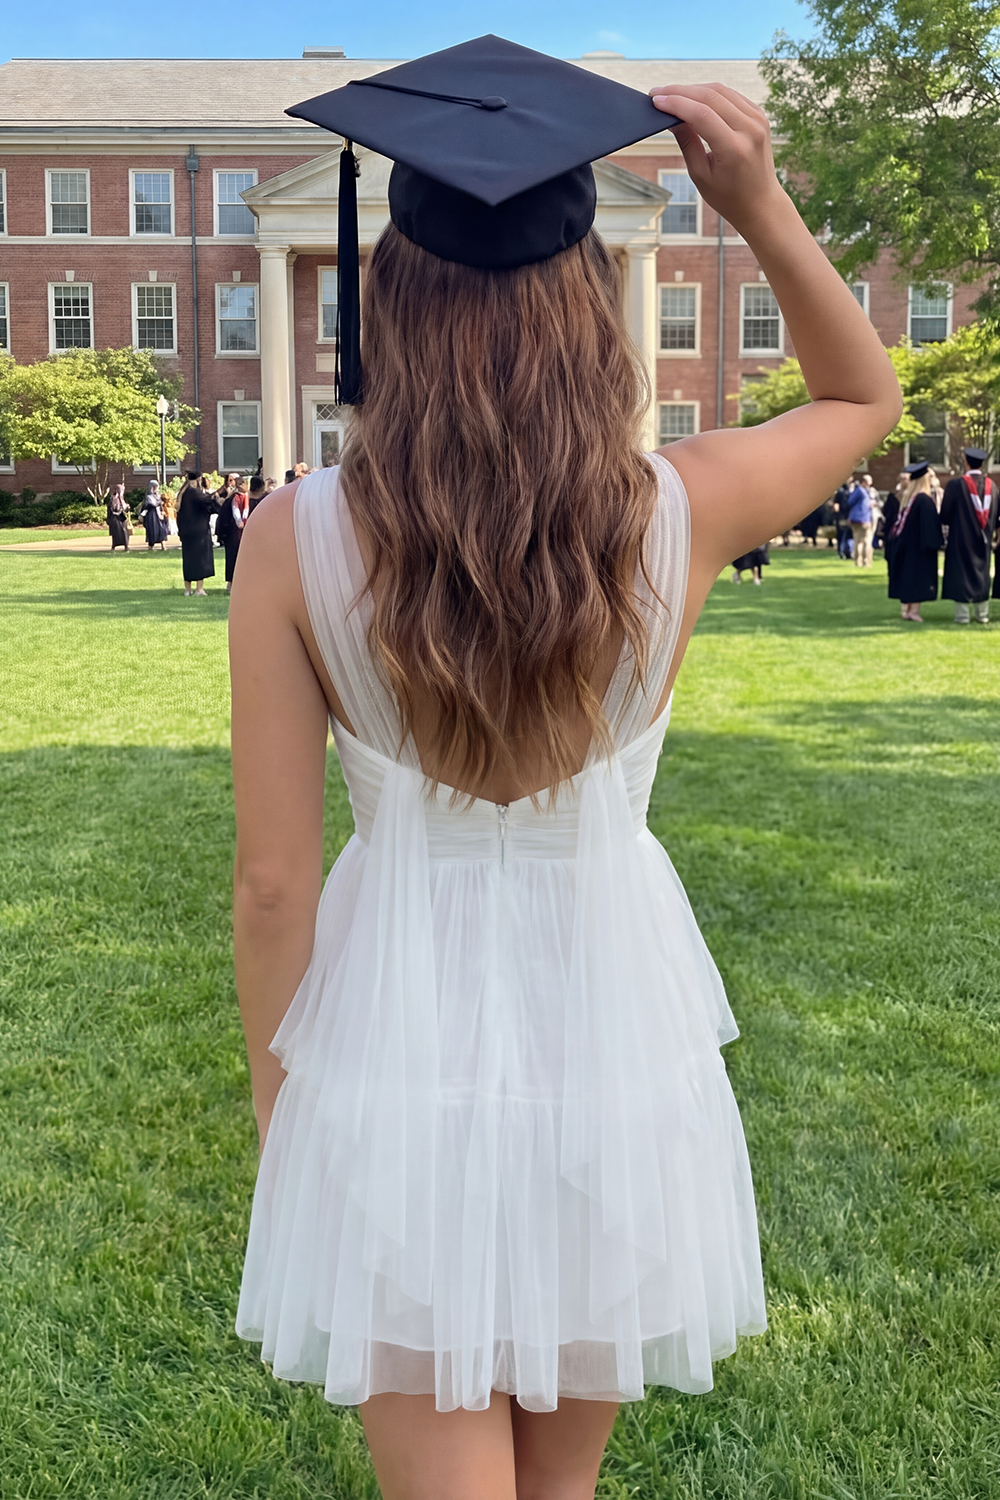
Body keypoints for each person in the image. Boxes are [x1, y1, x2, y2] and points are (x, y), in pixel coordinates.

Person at [229, 45, 902, 1500]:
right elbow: (860, 400)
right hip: (612, 1022)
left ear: (390, 296)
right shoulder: (682, 507)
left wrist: (285, 1111)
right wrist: (762, 207)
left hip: (391, 1037)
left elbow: (274, 881)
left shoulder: (296, 536)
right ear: (588, 308)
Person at [940, 447, 997, 624]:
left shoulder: (956, 485)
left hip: (960, 539)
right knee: (983, 572)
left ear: (966, 462)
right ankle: (982, 614)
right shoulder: (993, 487)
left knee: (961, 573)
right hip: (984, 538)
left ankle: (962, 616)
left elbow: (945, 515)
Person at [883, 460, 942, 622]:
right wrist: (935, 543)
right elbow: (930, 526)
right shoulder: (924, 500)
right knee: (918, 577)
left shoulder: (909, 499)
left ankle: (907, 609)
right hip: (920, 548)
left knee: (908, 576)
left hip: (906, 546)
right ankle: (914, 611)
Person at [175, 473, 218, 595]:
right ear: (198, 480)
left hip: (186, 532)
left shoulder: (183, 493)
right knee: (200, 559)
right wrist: (218, 497)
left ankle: (187, 590)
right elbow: (208, 501)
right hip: (199, 531)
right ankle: (199, 589)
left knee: (188, 560)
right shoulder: (194, 492)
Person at [215, 476, 251, 591]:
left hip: (236, 531)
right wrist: (241, 522)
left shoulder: (238, 497)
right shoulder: (237, 498)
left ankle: (234, 583)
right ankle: (231, 583)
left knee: (234, 556)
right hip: (236, 530)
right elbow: (237, 511)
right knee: (234, 556)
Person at [846, 473, 875, 567]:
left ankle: (858, 562)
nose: (870, 484)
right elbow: (850, 501)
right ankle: (865, 562)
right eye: (869, 482)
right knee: (865, 541)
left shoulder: (860, 491)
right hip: (863, 519)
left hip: (855, 519)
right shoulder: (861, 491)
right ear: (865, 482)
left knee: (858, 541)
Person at [138, 479, 168, 550]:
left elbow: (160, 504)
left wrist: (162, 511)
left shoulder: (158, 495)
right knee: (152, 530)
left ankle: (163, 545)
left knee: (161, 529)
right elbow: (152, 504)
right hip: (151, 516)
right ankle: (150, 546)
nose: (156, 489)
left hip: (158, 515)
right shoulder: (148, 496)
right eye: (155, 487)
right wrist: (159, 503)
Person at [833, 478, 854, 559]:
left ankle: (849, 551)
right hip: (842, 515)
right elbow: (836, 503)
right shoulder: (840, 490)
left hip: (850, 515)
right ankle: (841, 552)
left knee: (849, 535)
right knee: (841, 534)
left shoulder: (852, 490)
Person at [106, 483, 131, 551]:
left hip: (121, 518)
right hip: (115, 518)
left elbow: (124, 509)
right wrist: (123, 507)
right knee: (117, 533)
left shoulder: (121, 499)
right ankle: (114, 546)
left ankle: (126, 545)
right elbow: (115, 508)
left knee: (125, 532)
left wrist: (127, 507)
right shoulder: (114, 499)